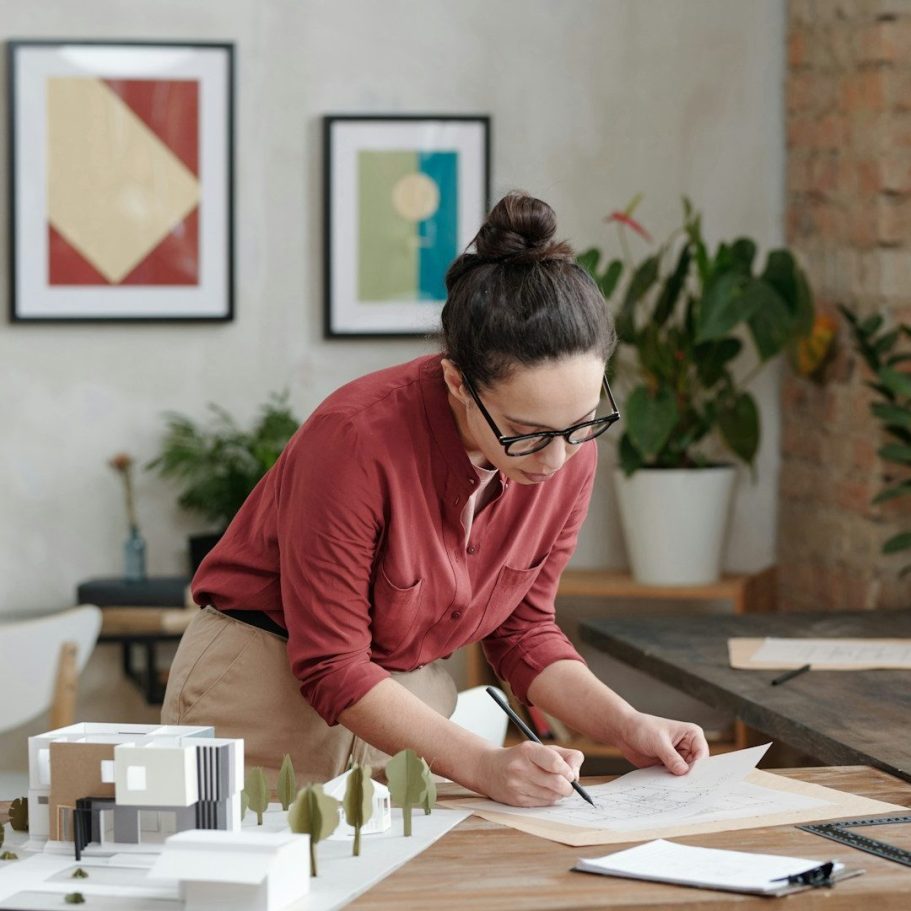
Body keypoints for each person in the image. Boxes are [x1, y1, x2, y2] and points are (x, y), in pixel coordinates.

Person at [161, 191, 709, 807]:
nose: (557, 460)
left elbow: (524, 631)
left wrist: (629, 725)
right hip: (262, 692)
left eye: (582, 423)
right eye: (525, 433)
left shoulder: (568, 448)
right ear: (456, 381)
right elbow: (332, 661)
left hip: (411, 710)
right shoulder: (354, 439)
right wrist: (485, 766)